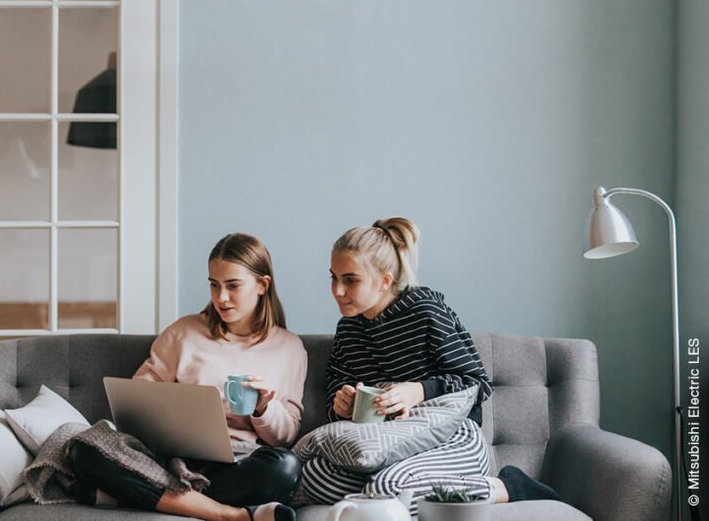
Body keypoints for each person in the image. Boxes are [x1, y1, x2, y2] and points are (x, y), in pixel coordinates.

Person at [299, 217, 560, 516]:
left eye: (350, 280)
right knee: (312, 476)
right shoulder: (348, 328)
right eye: (333, 277)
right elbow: (338, 379)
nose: (337, 291)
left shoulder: (425, 310)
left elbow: (476, 382)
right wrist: (341, 403)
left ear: (385, 280)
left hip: (452, 437)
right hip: (386, 445)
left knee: (388, 488)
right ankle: (394, 491)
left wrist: (419, 391)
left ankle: (507, 486)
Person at [69, 233, 307, 521]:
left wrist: (264, 408)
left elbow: (287, 435)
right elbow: (137, 398)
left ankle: (133, 493)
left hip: (237, 463)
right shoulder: (184, 331)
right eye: (214, 285)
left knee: (285, 467)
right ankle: (225, 514)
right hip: (168, 458)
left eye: (233, 286)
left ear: (262, 284)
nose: (221, 298)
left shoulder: (289, 348)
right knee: (83, 448)